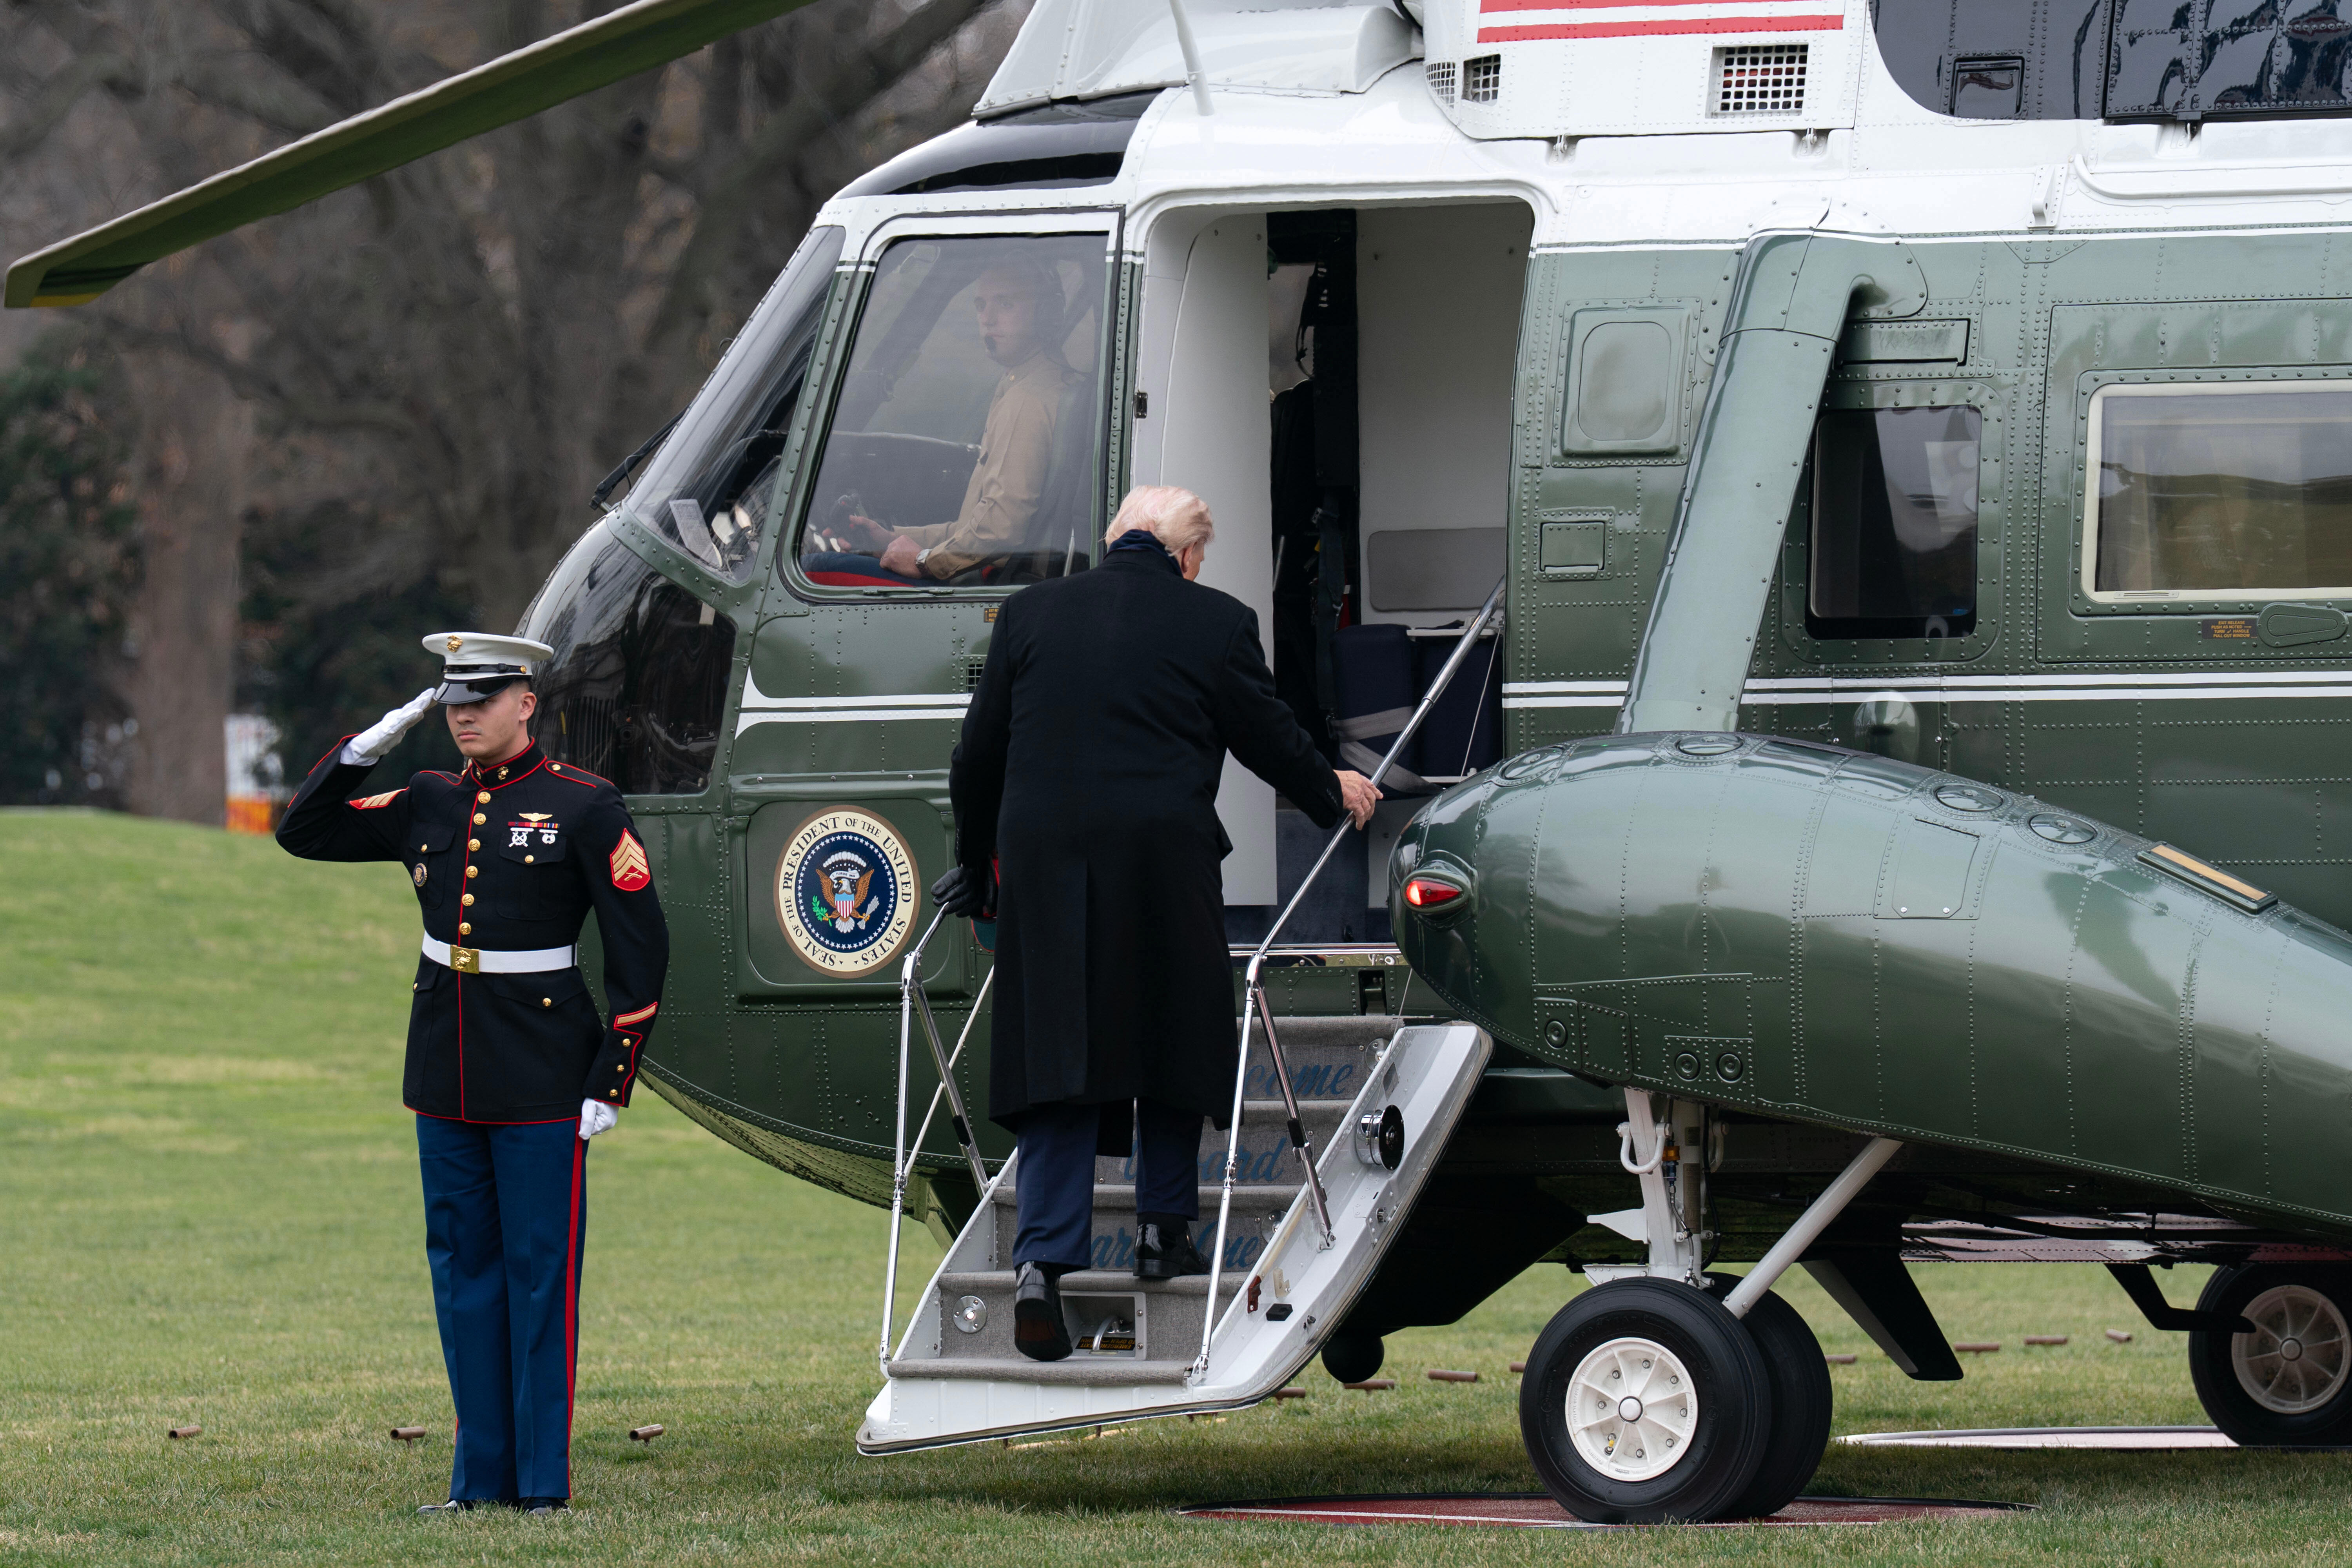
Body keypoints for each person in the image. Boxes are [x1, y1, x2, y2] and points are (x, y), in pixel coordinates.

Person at [938, 485, 1380, 1361]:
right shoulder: (1213, 619)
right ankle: (1161, 1232)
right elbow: (1266, 734)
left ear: (1115, 539)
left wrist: (980, 860)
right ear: (1187, 556)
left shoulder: (1030, 614)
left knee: (1059, 1052)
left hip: (1047, 859)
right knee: (1172, 1034)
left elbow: (978, 753)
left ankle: (1040, 1265)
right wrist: (1332, 789)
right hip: (1160, 857)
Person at [276, 633, 669, 1514]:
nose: (463, 712)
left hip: (542, 1068)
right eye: (454, 698)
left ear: (525, 701)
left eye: (482, 696)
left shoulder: (583, 803)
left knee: (539, 1277)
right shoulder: (426, 798)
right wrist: (361, 750)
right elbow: (302, 831)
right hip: (445, 1066)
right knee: (464, 1275)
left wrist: (613, 1074)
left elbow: (643, 946)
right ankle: (476, 1482)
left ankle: (541, 1486)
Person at [819, 259, 1076, 582]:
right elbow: (972, 529)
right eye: (981, 306)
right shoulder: (1045, 382)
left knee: (818, 568)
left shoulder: (1027, 398)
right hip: (998, 571)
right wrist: (888, 538)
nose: (988, 318)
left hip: (992, 581)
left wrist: (925, 562)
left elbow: (1001, 528)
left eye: (1006, 303)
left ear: (1048, 313)